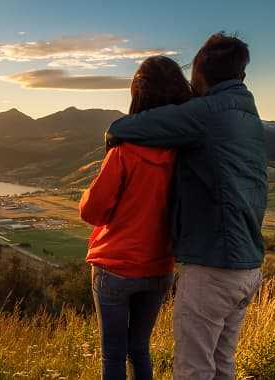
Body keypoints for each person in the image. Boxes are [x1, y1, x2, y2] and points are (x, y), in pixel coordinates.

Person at [105, 32, 267, 380]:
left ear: (201, 74)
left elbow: (125, 126)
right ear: (241, 75)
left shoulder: (207, 113)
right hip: (247, 265)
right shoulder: (247, 114)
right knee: (222, 364)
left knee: (193, 368)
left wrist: (113, 139)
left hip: (214, 265)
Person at [79, 55, 192, 380]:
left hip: (115, 266)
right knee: (139, 348)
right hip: (159, 267)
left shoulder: (123, 151)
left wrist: (86, 193)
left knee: (112, 354)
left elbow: (92, 211)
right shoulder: (184, 154)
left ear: (138, 94)